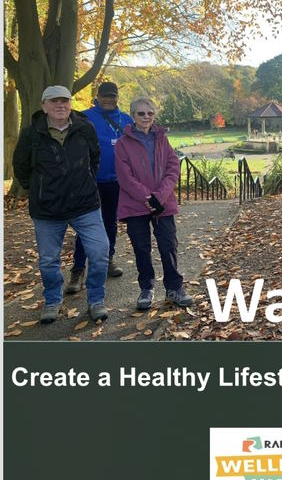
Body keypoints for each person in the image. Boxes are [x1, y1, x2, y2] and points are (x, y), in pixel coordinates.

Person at [13, 85, 109, 324]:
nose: (60, 106)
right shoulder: (30, 135)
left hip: (85, 205)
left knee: (99, 253)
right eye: (54, 101)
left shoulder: (85, 128)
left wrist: (83, 183)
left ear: (70, 103)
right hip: (48, 210)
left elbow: (94, 159)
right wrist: (41, 190)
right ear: (44, 106)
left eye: (64, 101)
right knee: (48, 261)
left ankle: (96, 300)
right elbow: (22, 170)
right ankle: (53, 300)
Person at [114, 97, 193, 311]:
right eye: (141, 113)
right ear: (133, 116)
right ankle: (146, 288)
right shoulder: (123, 144)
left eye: (150, 113)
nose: (146, 117)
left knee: (169, 246)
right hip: (135, 205)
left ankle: (174, 288)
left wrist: (160, 196)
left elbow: (172, 167)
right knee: (141, 248)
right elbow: (124, 176)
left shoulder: (162, 139)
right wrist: (147, 197)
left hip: (163, 203)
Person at [65, 81, 132, 293]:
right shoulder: (83, 117)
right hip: (90, 181)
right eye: (105, 96)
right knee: (87, 225)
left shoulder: (127, 120)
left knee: (110, 222)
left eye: (112, 96)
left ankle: (108, 259)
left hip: (116, 182)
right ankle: (78, 270)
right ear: (98, 96)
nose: (109, 99)